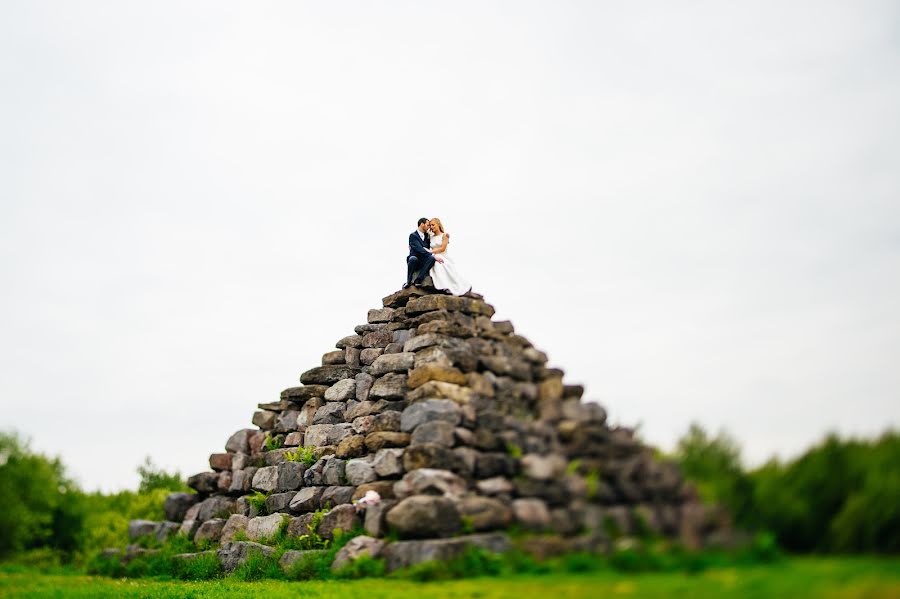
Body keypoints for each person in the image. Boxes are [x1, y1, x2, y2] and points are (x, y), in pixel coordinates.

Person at [427, 217, 472, 296]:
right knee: (433, 264)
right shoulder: (431, 237)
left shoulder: (444, 235)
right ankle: (442, 285)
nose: (431, 227)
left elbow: (442, 248)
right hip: (434, 256)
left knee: (440, 265)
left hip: (443, 256)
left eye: (433, 225)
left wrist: (431, 251)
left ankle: (450, 286)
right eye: (430, 225)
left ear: (438, 225)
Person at [403, 217, 442, 288]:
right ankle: (408, 281)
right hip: (414, 261)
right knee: (413, 259)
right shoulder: (413, 236)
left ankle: (418, 280)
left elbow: (435, 242)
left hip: (423, 261)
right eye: (428, 225)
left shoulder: (427, 236)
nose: (429, 227)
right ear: (422, 224)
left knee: (431, 259)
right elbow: (419, 249)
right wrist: (433, 255)